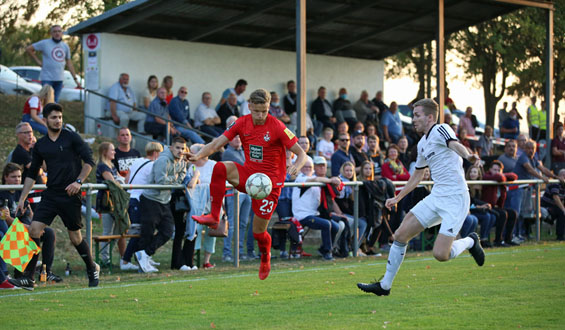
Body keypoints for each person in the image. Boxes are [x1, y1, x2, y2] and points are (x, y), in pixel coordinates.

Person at [357, 98, 484, 296]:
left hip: (456, 198)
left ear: (430, 117)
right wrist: (397, 198)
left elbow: (455, 145)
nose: (413, 119)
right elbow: (417, 174)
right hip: (437, 196)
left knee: (441, 254)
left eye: (417, 115)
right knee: (400, 235)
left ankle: (470, 241)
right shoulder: (423, 143)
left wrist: (469, 157)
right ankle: (385, 286)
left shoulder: (442, 129)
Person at [189, 89, 306, 280]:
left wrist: (295, 167)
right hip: (250, 176)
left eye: (265, 111)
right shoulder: (242, 122)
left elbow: (301, 153)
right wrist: (198, 155)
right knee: (220, 168)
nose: (261, 116)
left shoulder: (276, 126)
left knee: (258, 232)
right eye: (257, 111)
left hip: (269, 186)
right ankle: (213, 216)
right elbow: (217, 143)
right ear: (249, 106)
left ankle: (265, 256)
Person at [10, 103, 99, 290]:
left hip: (70, 195)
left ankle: (91, 268)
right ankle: (29, 278)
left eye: (60, 117)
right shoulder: (41, 145)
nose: (58, 120)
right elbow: (32, 173)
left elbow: (90, 161)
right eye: (53, 117)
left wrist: (79, 182)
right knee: (34, 230)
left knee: (75, 238)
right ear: (45, 120)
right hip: (51, 195)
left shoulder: (71, 138)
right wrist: (22, 198)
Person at [0, 163, 61, 283]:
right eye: (13, 177)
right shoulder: (2, 193)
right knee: (22, 233)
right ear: (5, 177)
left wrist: (34, 226)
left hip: (24, 226)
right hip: (10, 229)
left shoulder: (21, 192)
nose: (17, 179)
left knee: (48, 233)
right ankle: (20, 274)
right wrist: (27, 227)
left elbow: (30, 213)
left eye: (19, 176)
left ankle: (46, 271)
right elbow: (5, 219)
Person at [135, 137, 188, 273]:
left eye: (182, 148)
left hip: (165, 201)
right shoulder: (163, 160)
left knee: (167, 231)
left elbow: (182, 175)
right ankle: (143, 263)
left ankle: (145, 254)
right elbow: (161, 182)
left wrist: (174, 179)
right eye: (177, 147)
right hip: (151, 199)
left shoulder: (181, 161)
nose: (180, 151)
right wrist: (175, 180)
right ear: (171, 147)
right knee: (147, 232)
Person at [121, 142, 163, 271]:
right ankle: (126, 260)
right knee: (139, 232)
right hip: (139, 200)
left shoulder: (137, 161)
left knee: (141, 230)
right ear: (156, 153)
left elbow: (127, 180)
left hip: (130, 198)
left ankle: (142, 257)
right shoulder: (152, 165)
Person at [292, 158, 341, 260]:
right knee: (326, 224)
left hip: (314, 213)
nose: (307, 169)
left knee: (336, 226)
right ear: (300, 168)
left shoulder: (316, 178)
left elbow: (319, 180)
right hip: (302, 215)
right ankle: (328, 253)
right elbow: (315, 180)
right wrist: (332, 180)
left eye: (310, 167)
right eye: (305, 167)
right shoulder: (300, 178)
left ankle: (324, 249)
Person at [220, 122, 255, 262]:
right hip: (235, 190)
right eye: (235, 138)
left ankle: (239, 252)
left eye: (240, 138)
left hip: (247, 190)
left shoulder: (244, 151)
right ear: (229, 139)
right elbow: (246, 167)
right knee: (233, 223)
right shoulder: (228, 153)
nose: (238, 140)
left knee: (242, 223)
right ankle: (227, 253)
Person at [25, 24, 79, 102]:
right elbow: (29, 49)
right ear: (51, 33)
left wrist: (75, 79)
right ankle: (42, 113)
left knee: (55, 101)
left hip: (59, 79)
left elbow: (69, 63)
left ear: (62, 33)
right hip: (47, 78)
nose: (57, 33)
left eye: (59, 31)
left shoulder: (65, 46)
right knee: (47, 100)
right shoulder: (45, 43)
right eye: (54, 31)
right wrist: (38, 61)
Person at [95, 142, 127, 266]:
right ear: (105, 152)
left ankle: (107, 257)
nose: (114, 152)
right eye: (112, 150)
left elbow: (121, 180)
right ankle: (105, 260)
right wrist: (118, 180)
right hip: (106, 202)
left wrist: (119, 180)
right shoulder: (103, 166)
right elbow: (113, 182)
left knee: (119, 230)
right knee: (107, 231)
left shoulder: (112, 165)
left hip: (115, 202)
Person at [187, 144, 218, 269]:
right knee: (196, 230)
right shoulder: (191, 167)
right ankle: (193, 259)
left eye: (192, 153)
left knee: (212, 231)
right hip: (196, 203)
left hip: (212, 203)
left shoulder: (213, 165)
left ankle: (206, 261)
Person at [481, 161, 519, 247]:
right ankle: (498, 240)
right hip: (487, 206)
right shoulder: (487, 176)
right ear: (490, 169)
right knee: (502, 214)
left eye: (499, 170)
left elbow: (514, 176)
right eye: (494, 169)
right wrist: (501, 175)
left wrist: (502, 175)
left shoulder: (500, 176)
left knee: (513, 213)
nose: (497, 172)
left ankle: (508, 239)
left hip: (497, 206)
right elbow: (499, 177)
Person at [540, 169, 565, 241]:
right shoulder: (555, 183)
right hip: (546, 207)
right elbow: (556, 198)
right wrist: (563, 209)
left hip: (554, 208)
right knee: (562, 212)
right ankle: (560, 236)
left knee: (561, 211)